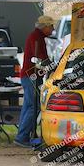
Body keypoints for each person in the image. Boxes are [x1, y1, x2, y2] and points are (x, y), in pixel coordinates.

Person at [14, 15, 55, 147]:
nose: (53, 29)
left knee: (28, 106)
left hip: (29, 75)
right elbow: (41, 58)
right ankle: (23, 136)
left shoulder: (38, 37)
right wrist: (54, 66)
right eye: (51, 26)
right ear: (45, 27)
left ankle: (23, 134)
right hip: (31, 75)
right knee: (34, 107)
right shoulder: (37, 38)